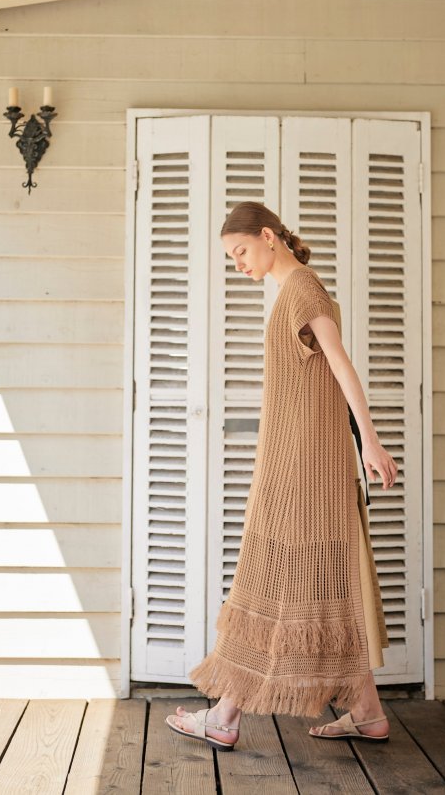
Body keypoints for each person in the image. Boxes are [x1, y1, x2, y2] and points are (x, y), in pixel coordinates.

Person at [166, 202, 397, 752]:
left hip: (303, 467)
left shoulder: (302, 290)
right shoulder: (292, 290)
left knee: (269, 579)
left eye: (241, 251)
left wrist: (369, 439)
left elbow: (340, 363)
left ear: (268, 236)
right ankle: (367, 711)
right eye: (232, 257)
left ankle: (224, 716)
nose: (238, 263)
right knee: (320, 582)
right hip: (298, 460)